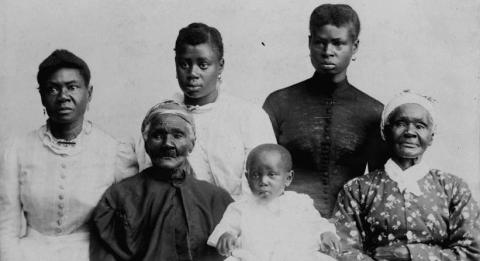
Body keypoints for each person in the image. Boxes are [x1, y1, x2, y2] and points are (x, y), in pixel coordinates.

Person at [0, 49, 136, 261]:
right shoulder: (18, 149)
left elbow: (128, 224)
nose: (63, 97)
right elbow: (6, 224)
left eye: (72, 87)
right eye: (52, 89)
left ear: (89, 93)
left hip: (91, 255)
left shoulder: (114, 151)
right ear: (42, 96)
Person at [263, 4, 388, 217]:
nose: (328, 52)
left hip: (349, 227)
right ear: (309, 43)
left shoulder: (374, 112)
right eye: (320, 42)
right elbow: (260, 171)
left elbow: (380, 185)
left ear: (354, 46)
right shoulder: (279, 103)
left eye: (338, 43)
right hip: (285, 223)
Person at [134, 22, 276, 200]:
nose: (193, 73)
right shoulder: (160, 119)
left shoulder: (249, 116)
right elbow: (148, 183)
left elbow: (265, 183)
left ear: (220, 65)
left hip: (238, 220)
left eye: (203, 65)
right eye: (184, 64)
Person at [333, 90, 480, 261]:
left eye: (420, 126)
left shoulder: (453, 188)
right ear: (384, 132)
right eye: (400, 124)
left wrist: (411, 254)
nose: (410, 132)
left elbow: (473, 252)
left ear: (431, 137)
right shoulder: (357, 190)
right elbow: (343, 249)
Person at [91, 101, 234, 261]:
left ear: (191, 144)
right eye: (158, 135)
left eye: (178, 135)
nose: (167, 143)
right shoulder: (119, 197)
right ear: (146, 143)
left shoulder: (217, 199)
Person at [208, 144, 340, 261]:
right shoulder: (240, 208)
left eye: (271, 174)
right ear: (247, 178)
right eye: (256, 175)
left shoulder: (300, 203)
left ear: (288, 178)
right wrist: (226, 235)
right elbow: (226, 228)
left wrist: (326, 233)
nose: (263, 181)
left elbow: (317, 223)